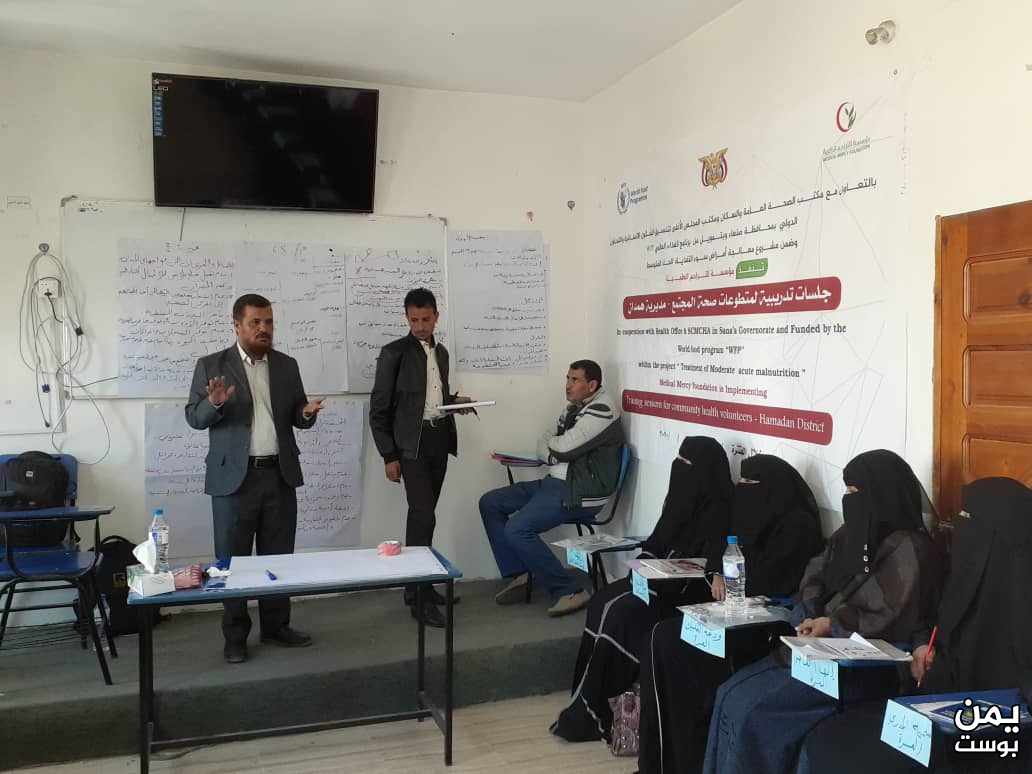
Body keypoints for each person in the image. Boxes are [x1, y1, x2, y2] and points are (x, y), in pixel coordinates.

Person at [702, 449, 944, 774]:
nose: (848, 499)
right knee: (728, 694)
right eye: (845, 490)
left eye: (855, 492)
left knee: (754, 712)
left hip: (861, 668)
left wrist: (831, 624)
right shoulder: (849, 535)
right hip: (812, 651)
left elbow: (888, 614)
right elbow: (814, 574)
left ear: (883, 492)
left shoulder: (910, 549)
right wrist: (808, 613)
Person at [799, 477, 1032, 774]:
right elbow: (936, 621)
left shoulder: (1021, 596)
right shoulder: (970, 577)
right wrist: (924, 645)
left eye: (967, 517)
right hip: (933, 705)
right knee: (829, 739)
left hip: (991, 736)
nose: (958, 524)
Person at [636, 453, 825, 772]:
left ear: (773, 488)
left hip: (767, 625)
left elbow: (773, 583)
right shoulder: (750, 514)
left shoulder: (797, 527)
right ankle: (665, 760)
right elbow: (721, 551)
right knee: (661, 638)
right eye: (742, 482)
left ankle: (691, 757)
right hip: (735, 615)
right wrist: (719, 572)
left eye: (751, 483)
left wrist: (736, 583)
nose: (743, 489)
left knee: (671, 644)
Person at [550, 435, 734, 743]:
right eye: (678, 460)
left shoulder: (720, 509)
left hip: (687, 590)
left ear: (704, 471)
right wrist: (645, 565)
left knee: (622, 612)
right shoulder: (681, 499)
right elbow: (658, 540)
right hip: (661, 577)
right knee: (603, 601)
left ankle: (602, 711)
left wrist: (671, 572)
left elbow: (712, 565)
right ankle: (585, 700)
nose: (679, 467)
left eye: (686, 463)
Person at [185, 293, 325, 664]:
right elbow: (195, 419)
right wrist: (214, 403)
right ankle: (235, 637)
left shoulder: (286, 365)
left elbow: (296, 413)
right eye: (256, 323)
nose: (264, 329)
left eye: (269, 322)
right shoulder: (212, 365)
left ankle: (277, 626)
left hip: (278, 475)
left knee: (278, 559)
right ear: (237, 325)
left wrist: (306, 414)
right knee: (231, 563)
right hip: (235, 481)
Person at [479, 359, 625, 618]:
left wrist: (555, 451)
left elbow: (562, 448)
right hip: (555, 481)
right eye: (567, 378)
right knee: (490, 502)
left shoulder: (602, 410)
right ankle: (523, 570)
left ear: (592, 385)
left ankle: (569, 590)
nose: (568, 385)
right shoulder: (575, 408)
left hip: (580, 492)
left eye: (575, 380)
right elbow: (544, 441)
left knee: (517, 529)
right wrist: (554, 453)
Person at [369, 287, 471, 629]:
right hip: (409, 445)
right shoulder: (393, 353)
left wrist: (456, 400)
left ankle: (419, 588)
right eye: (414, 319)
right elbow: (379, 409)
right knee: (422, 515)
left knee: (427, 516)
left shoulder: (440, 352)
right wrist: (388, 455)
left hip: (438, 437)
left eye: (426, 319)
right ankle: (419, 595)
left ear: (436, 317)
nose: (420, 326)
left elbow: (433, 395)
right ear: (407, 317)